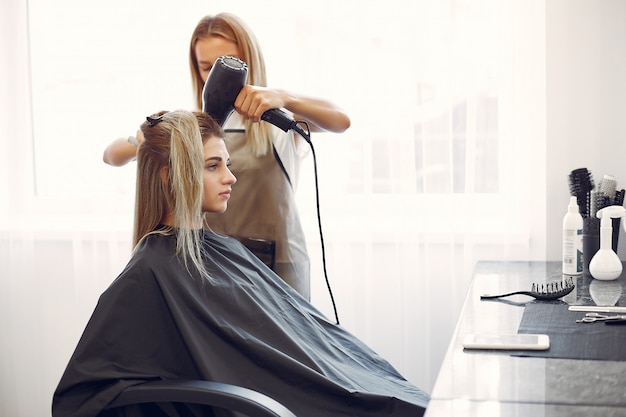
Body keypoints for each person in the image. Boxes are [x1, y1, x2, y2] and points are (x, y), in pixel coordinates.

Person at [54, 110, 428, 417]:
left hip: (331, 390)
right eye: (213, 166)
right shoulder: (150, 272)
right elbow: (84, 395)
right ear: (171, 176)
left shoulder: (222, 250)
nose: (230, 177)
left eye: (227, 164)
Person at [103, 13, 351, 300]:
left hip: (277, 265)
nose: (216, 77)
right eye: (206, 67)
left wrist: (285, 97)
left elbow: (341, 121)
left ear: (249, 61)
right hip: (212, 262)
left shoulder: (278, 123)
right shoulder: (190, 127)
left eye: (227, 64)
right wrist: (145, 141)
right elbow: (111, 155)